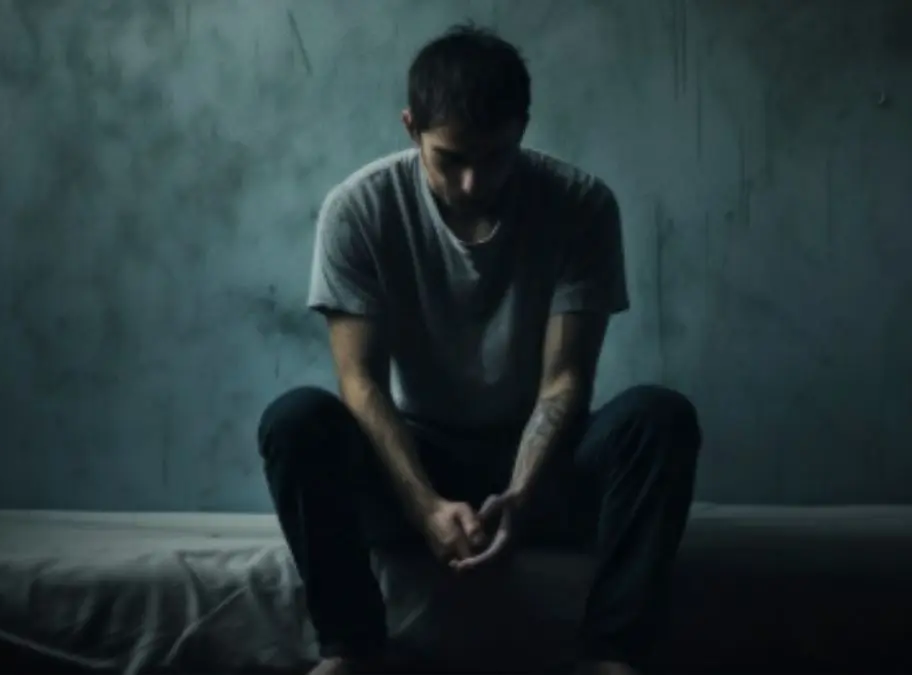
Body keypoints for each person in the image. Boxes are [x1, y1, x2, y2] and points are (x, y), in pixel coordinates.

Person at [257, 23, 702, 675]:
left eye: (495, 157)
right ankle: (351, 648)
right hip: (416, 459)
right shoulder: (358, 209)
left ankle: (612, 654)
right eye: (451, 158)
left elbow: (565, 380)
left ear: (523, 128)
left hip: (541, 465)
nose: (472, 182)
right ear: (411, 127)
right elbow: (361, 383)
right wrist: (423, 505)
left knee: (658, 417)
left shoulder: (581, 204)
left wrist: (520, 495)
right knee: (296, 420)